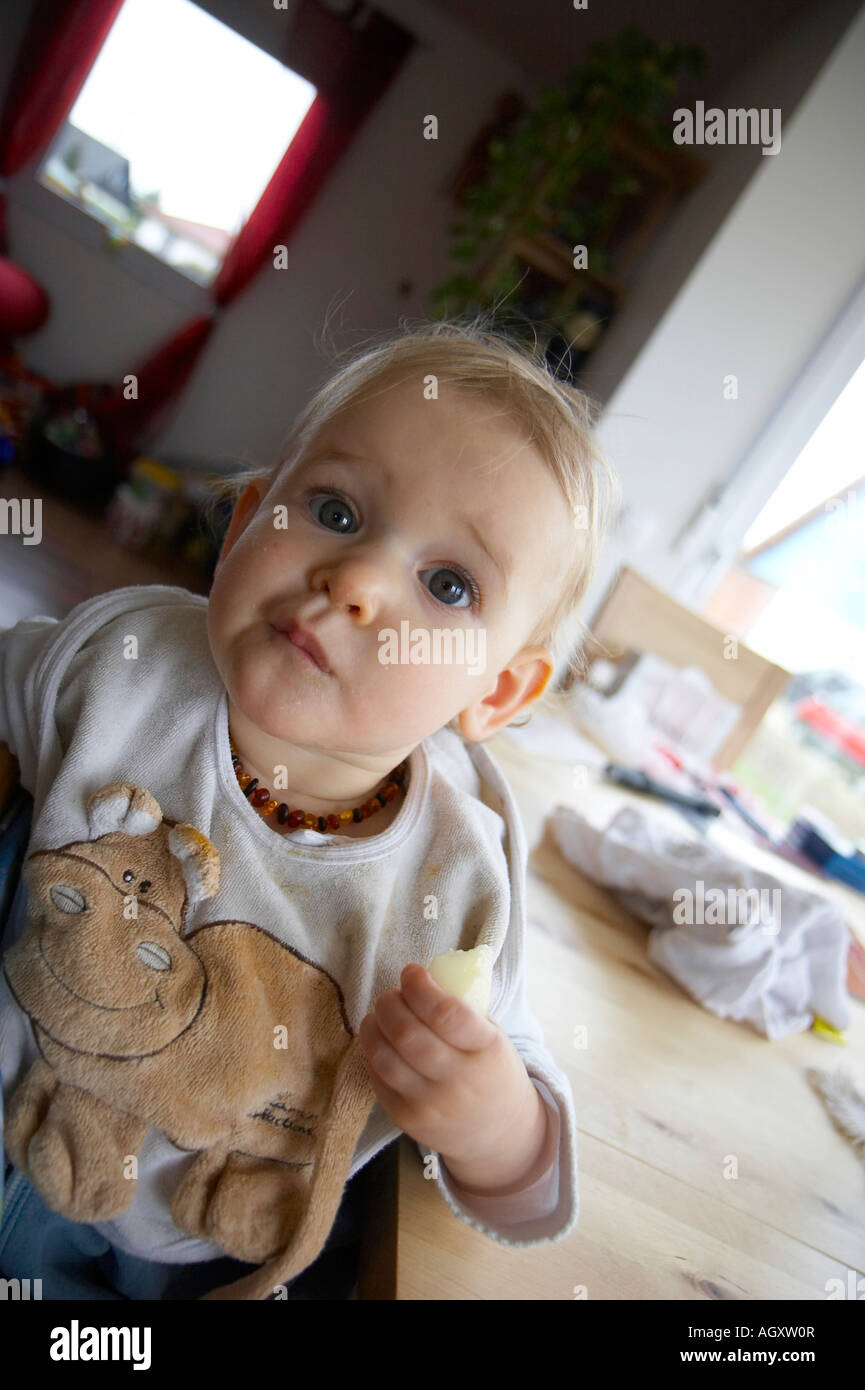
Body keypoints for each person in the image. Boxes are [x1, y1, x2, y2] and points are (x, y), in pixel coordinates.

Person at [0, 316, 619, 1300]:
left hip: (173, 1258)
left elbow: (527, 1189)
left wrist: (492, 1124)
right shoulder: (120, 669)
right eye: (333, 509)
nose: (360, 579)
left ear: (495, 694)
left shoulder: (448, 885)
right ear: (244, 524)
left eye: (448, 583)